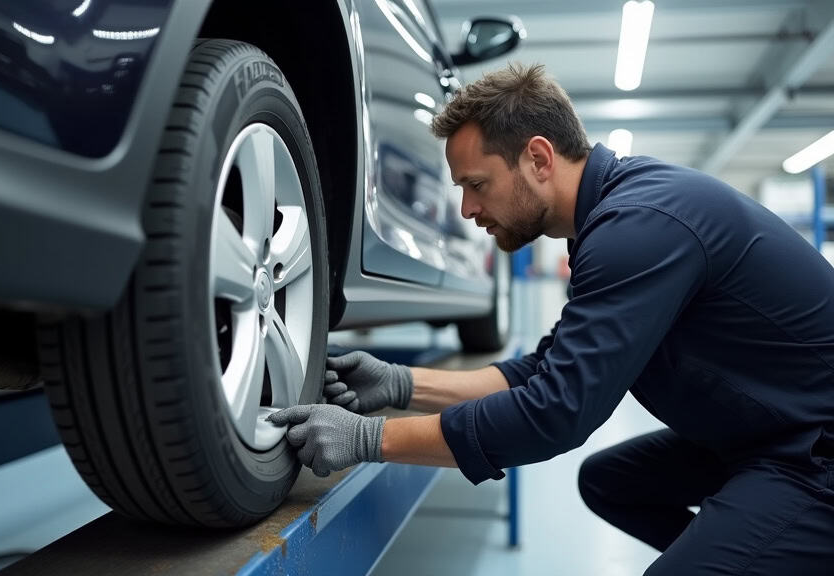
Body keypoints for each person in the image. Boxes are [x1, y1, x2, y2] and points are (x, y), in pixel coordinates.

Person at [267, 62, 834, 574]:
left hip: (814, 451)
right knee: (611, 483)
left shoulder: (638, 227)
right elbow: (543, 370)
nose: (466, 209)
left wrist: (371, 437)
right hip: (766, 434)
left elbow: (556, 413)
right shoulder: (615, 220)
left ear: (537, 158)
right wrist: (401, 382)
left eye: (476, 184)